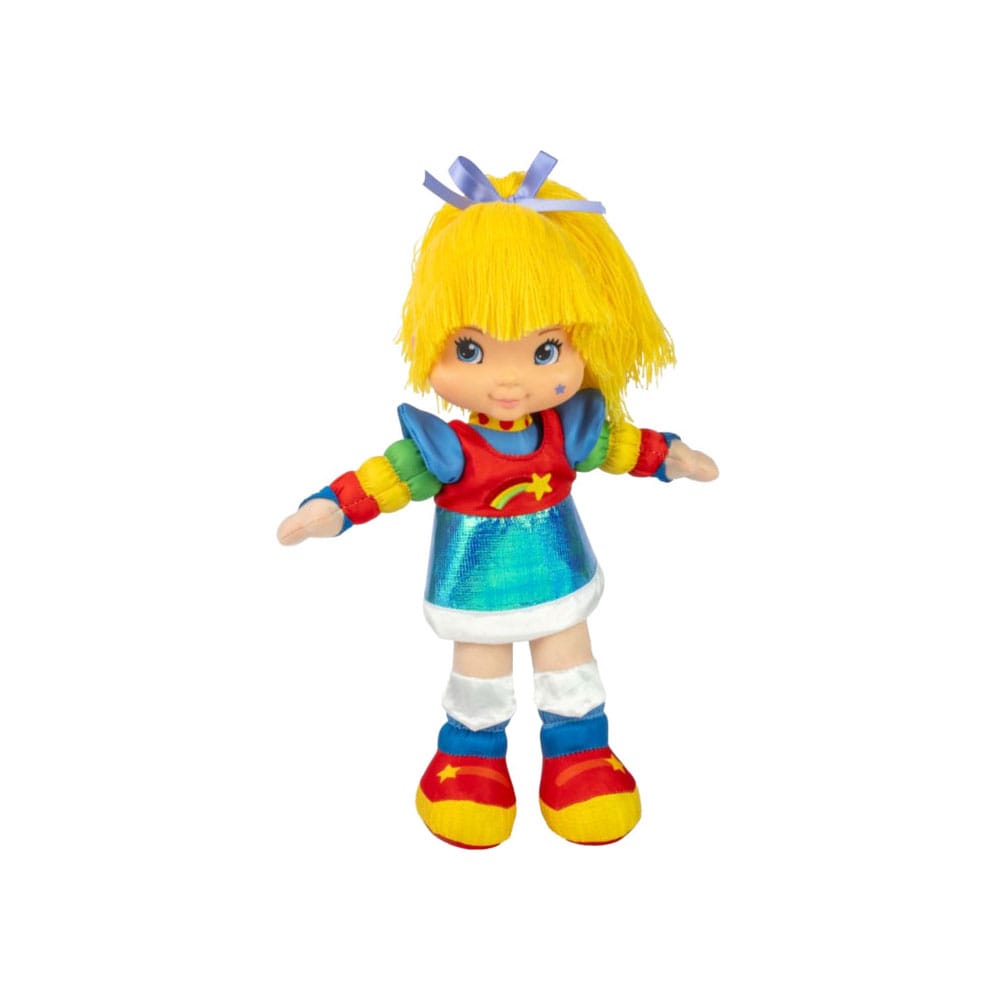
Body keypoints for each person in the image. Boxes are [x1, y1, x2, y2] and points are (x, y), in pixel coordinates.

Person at [277, 152, 718, 849]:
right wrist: (331, 507)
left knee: (569, 661)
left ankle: (580, 755)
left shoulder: (566, 431)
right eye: (471, 351)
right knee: (478, 673)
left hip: (557, 569)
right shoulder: (448, 447)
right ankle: (470, 760)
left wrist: (674, 458)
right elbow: (390, 476)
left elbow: (620, 445)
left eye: (544, 352)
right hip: (476, 579)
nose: (509, 381)